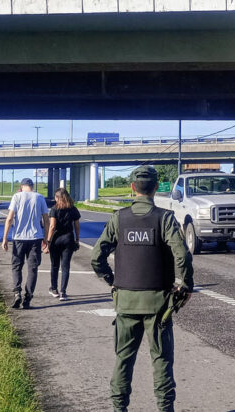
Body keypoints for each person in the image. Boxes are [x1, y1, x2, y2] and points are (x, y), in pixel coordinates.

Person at [91, 165, 194, 412]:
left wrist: (111, 280)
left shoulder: (119, 218)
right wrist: (186, 285)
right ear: (157, 188)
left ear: (132, 188)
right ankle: (165, 408)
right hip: (158, 304)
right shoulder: (165, 218)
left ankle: (119, 408)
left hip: (126, 301)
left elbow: (96, 257)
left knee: (123, 360)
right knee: (161, 360)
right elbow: (182, 255)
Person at [1, 178, 49, 310]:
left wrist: (5, 238)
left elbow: (10, 218)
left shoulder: (16, 196)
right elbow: (46, 220)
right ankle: (28, 297)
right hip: (35, 238)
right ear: (32, 186)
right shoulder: (39, 197)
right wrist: (46, 239)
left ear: (22, 186)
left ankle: (17, 293)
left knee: (16, 266)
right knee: (32, 268)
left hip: (19, 238)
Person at [44, 187, 81, 301]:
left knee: (54, 265)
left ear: (57, 198)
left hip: (56, 240)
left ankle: (54, 289)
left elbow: (52, 226)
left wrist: (48, 241)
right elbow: (77, 225)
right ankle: (63, 292)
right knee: (66, 267)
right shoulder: (73, 209)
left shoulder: (54, 209)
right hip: (68, 239)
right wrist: (77, 239)